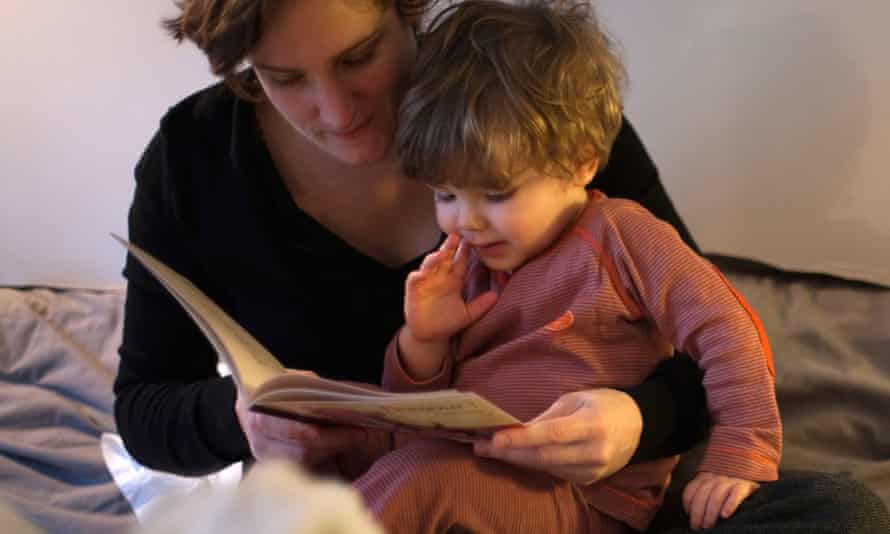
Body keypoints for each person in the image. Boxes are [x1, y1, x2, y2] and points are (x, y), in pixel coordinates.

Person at [113, 0, 889, 532]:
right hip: (378, 488)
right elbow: (145, 412)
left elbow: (708, 342)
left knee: (840, 515)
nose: (338, 110)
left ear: (403, 11)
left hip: (588, 495)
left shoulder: (527, 108)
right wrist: (243, 423)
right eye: (282, 79)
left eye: (359, 56)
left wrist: (639, 419)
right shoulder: (192, 165)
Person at [351, 2, 779, 532]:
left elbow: (728, 328)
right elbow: (410, 429)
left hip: (587, 501)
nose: (466, 222)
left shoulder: (622, 235)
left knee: (420, 480)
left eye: (497, 193)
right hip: (476, 479)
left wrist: (741, 451)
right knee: (386, 468)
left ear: (580, 162)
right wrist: (424, 343)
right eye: (445, 194)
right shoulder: (468, 266)